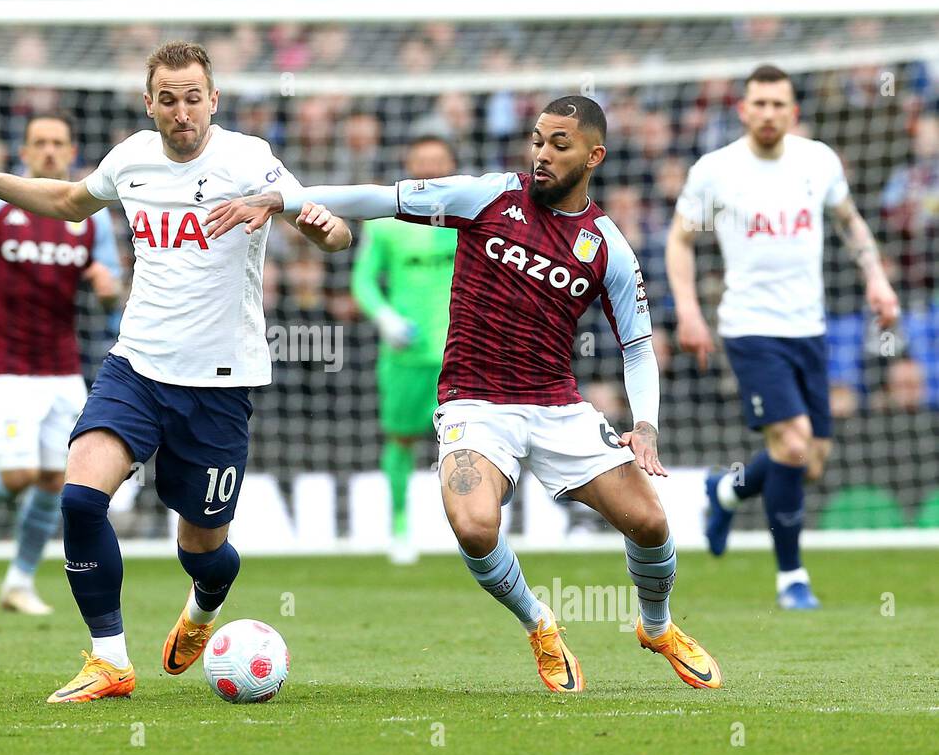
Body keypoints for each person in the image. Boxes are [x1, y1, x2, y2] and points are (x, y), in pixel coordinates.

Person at [208, 95, 722, 693]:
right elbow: (385, 197)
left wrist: (647, 426)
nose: (542, 154)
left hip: (557, 406)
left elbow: (637, 346)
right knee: (475, 525)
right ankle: (540, 624)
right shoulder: (489, 196)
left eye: (560, 144)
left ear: (594, 156)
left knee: (651, 523)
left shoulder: (606, 245)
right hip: (474, 403)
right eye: (537, 140)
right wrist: (287, 199)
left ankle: (657, 626)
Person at [0, 41, 351, 702]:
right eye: (168, 98)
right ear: (149, 102)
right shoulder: (130, 158)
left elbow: (332, 234)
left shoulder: (249, 160)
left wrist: (315, 222)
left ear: (213, 100)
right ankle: (109, 660)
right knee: (79, 495)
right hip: (136, 365)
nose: (181, 112)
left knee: (201, 549)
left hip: (219, 381)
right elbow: (72, 200)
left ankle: (205, 602)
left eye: (193, 98)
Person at [666, 64, 899, 610]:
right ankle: (791, 577)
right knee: (791, 445)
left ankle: (725, 490)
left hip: (808, 328)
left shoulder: (817, 160)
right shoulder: (716, 170)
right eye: (759, 103)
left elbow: (849, 220)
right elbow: (680, 242)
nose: (768, 113)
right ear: (743, 110)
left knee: (810, 460)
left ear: (792, 112)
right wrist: (690, 313)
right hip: (749, 328)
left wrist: (877, 278)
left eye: (778, 104)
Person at [0, 113, 121, 615]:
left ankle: (18, 581)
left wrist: (106, 288)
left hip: (61, 366)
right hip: (6, 362)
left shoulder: (89, 220)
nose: (51, 152)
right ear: (26, 153)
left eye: (59, 143)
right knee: (18, 475)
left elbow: (113, 290)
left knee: (57, 480)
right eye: (41, 143)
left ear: (73, 152)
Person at [349, 135, 458, 547]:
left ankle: (469, 527)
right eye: (423, 161)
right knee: (401, 438)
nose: (430, 168)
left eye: (438, 161)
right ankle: (399, 526)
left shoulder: (471, 218)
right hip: (405, 353)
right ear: (410, 166)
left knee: (470, 440)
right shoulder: (386, 223)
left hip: (460, 351)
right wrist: (385, 318)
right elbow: (361, 280)